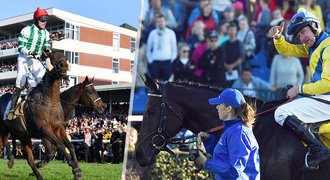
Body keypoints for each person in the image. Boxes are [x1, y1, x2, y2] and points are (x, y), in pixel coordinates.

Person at [268, 8, 330, 168]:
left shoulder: (328, 46)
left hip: (327, 99)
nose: (302, 38)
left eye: (303, 32)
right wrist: (278, 37)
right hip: (323, 99)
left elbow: (328, 83)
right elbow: (286, 49)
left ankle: (318, 150)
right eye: (299, 36)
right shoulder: (314, 46)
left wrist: (299, 89)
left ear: (315, 26)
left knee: (281, 113)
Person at [195, 88, 260, 179]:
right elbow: (223, 157)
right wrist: (209, 141)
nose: (216, 107)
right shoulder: (232, 129)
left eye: (219, 104)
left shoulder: (239, 132)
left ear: (229, 108)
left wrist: (206, 163)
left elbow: (234, 170)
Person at [8, 7, 51, 120]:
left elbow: (46, 46)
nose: (45, 22)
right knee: (21, 80)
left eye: (46, 19)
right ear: (36, 20)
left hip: (35, 59)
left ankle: (41, 104)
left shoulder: (46, 33)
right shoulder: (26, 30)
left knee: (43, 78)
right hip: (24, 58)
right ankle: (12, 108)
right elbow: (20, 47)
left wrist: (47, 51)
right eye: (42, 19)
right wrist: (28, 52)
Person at [146, 13, 177, 82]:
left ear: (165, 22)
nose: (160, 23)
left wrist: (172, 61)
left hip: (167, 62)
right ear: (156, 23)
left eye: (162, 21)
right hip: (155, 62)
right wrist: (150, 60)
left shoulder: (171, 33)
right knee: (155, 84)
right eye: (158, 22)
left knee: (167, 84)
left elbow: (174, 49)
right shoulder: (152, 33)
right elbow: (148, 48)